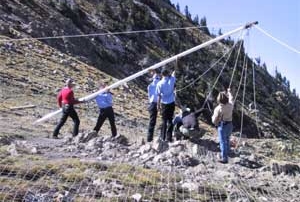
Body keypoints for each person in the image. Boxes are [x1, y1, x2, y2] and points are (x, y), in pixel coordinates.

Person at [211, 88, 234, 164]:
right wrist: (229, 92)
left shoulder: (218, 109)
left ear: (218, 100)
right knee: (227, 138)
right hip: (230, 124)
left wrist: (214, 121)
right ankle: (228, 151)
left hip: (222, 125)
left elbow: (214, 120)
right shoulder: (230, 105)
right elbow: (231, 98)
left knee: (222, 141)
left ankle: (224, 158)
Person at [156, 68, 176, 142]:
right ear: (168, 73)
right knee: (170, 120)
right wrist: (177, 61)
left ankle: (163, 137)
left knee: (164, 121)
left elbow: (158, 95)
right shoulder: (172, 80)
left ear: (162, 74)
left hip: (164, 103)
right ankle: (169, 137)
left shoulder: (159, 83)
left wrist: (158, 105)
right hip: (171, 102)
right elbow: (175, 72)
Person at [147, 69, 161, 142]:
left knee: (152, 121)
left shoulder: (150, 86)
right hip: (157, 103)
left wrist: (154, 72)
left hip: (152, 104)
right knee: (153, 121)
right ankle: (150, 139)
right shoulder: (159, 85)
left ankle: (149, 138)